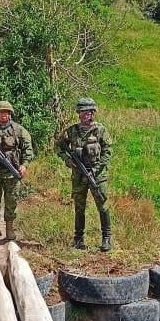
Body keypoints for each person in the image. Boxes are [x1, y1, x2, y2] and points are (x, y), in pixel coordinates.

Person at [57, 97, 113, 251]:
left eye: (89, 112)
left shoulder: (100, 130)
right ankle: (78, 239)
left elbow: (107, 152)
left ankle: (106, 238)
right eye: (83, 112)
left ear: (93, 113)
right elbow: (59, 147)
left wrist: (97, 169)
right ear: (78, 113)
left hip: (97, 175)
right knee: (79, 207)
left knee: (102, 205)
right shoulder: (71, 131)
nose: (86, 114)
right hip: (78, 175)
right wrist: (68, 161)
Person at [0, 101, 34, 241]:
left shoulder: (19, 130)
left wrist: (24, 165)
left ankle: (9, 229)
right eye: (1, 112)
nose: (4, 115)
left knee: (11, 201)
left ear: (10, 114)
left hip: (11, 172)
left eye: (7, 112)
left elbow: (28, 150)